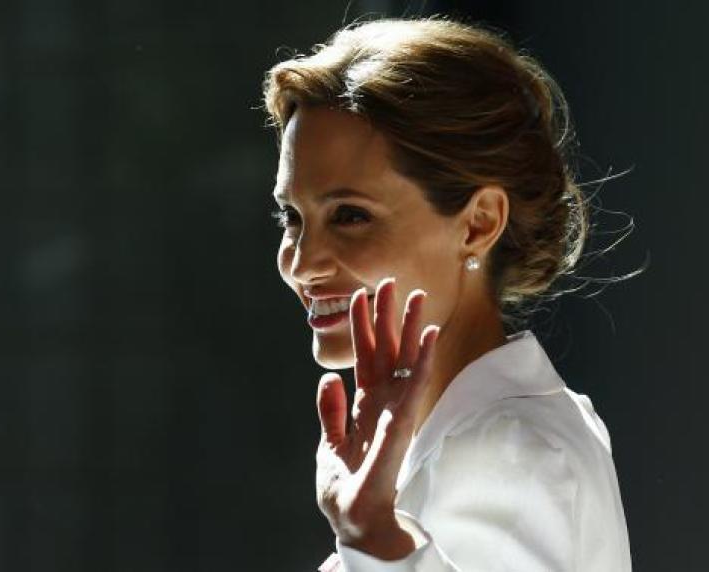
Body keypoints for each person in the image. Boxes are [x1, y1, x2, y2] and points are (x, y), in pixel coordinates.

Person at [262, 16, 632, 572]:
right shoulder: (472, 440)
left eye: (350, 216)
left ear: (479, 223)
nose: (302, 263)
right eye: (293, 217)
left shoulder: (510, 451)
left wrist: (375, 538)